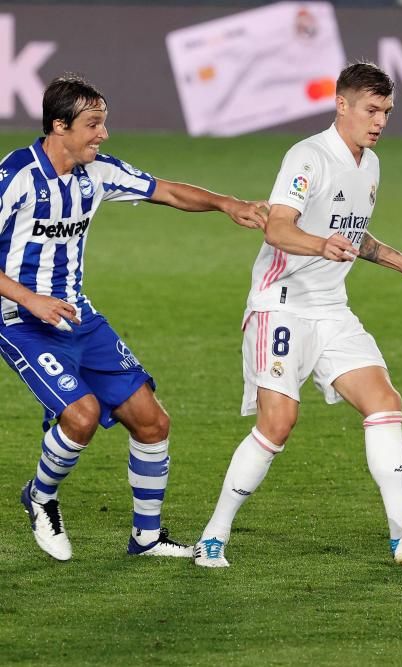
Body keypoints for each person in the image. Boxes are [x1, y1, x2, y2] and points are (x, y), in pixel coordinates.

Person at [192, 62, 402, 569]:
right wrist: (321, 244)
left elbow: (353, 233)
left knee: (384, 401)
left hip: (330, 311)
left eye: (387, 112)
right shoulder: (308, 156)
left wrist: (401, 262)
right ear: (341, 104)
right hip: (279, 306)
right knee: (278, 423)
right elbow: (278, 229)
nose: (380, 121)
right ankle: (214, 534)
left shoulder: (370, 165)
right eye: (371, 109)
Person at [0, 74, 268, 561]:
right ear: (59, 126)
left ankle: (146, 538)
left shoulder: (95, 173)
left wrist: (226, 203)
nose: (102, 134)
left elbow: (164, 190)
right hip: (20, 321)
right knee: (79, 418)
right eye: (92, 125)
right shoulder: (15, 175)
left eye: (104, 123)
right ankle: (39, 497)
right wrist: (32, 299)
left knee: (152, 422)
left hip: (79, 319)